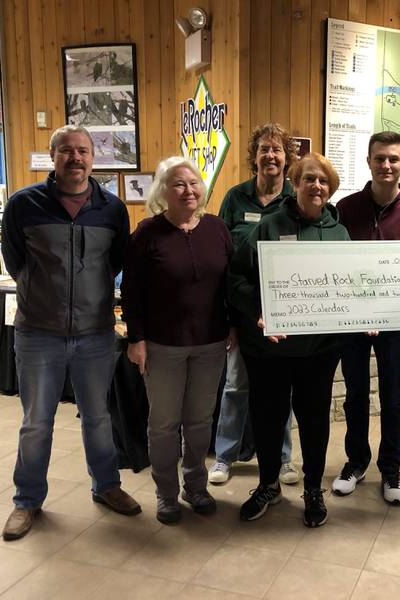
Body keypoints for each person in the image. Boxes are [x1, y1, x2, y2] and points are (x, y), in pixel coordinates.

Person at [0, 125, 140, 541]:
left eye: (82, 151)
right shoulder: (24, 205)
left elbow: (115, 264)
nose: (75, 158)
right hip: (37, 333)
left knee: (98, 417)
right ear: (52, 155)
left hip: (95, 334)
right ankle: (27, 501)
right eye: (66, 151)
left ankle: (107, 486)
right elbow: (15, 261)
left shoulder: (112, 209)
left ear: (92, 157)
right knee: (36, 422)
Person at [230, 152, 349, 528]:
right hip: (270, 348)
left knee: (315, 419)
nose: (316, 186)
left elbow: (352, 284)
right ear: (294, 182)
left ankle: (313, 488)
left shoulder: (339, 233)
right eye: (309, 179)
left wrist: (367, 314)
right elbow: (237, 279)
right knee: (268, 417)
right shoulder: (267, 226)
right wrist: (258, 311)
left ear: (330, 189)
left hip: (320, 350)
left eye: (324, 181)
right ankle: (268, 484)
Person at [121, 157, 235, 524]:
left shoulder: (217, 229)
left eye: (194, 183)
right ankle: (166, 494)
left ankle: (196, 487)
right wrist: (136, 339)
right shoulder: (146, 234)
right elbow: (132, 292)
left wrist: (233, 324)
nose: (189, 191)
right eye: (179, 184)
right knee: (164, 424)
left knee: (200, 421)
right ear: (163, 192)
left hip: (211, 343)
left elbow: (231, 283)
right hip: (163, 346)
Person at [331, 131, 400, 505]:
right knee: (355, 395)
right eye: (379, 158)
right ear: (369, 161)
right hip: (352, 324)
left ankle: (391, 469)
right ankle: (356, 463)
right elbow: (335, 267)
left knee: (392, 397)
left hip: (394, 325)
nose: (386, 165)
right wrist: (359, 311)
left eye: (393, 159)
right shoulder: (344, 208)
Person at [209, 123, 300, 486]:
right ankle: (224, 458)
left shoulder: (297, 199)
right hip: (244, 314)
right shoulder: (235, 198)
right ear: (254, 157)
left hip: (285, 314)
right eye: (264, 149)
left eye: (277, 150)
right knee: (235, 386)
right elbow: (220, 258)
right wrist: (229, 319)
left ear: (287, 158)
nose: (271, 155)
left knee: (283, 391)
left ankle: (285, 461)